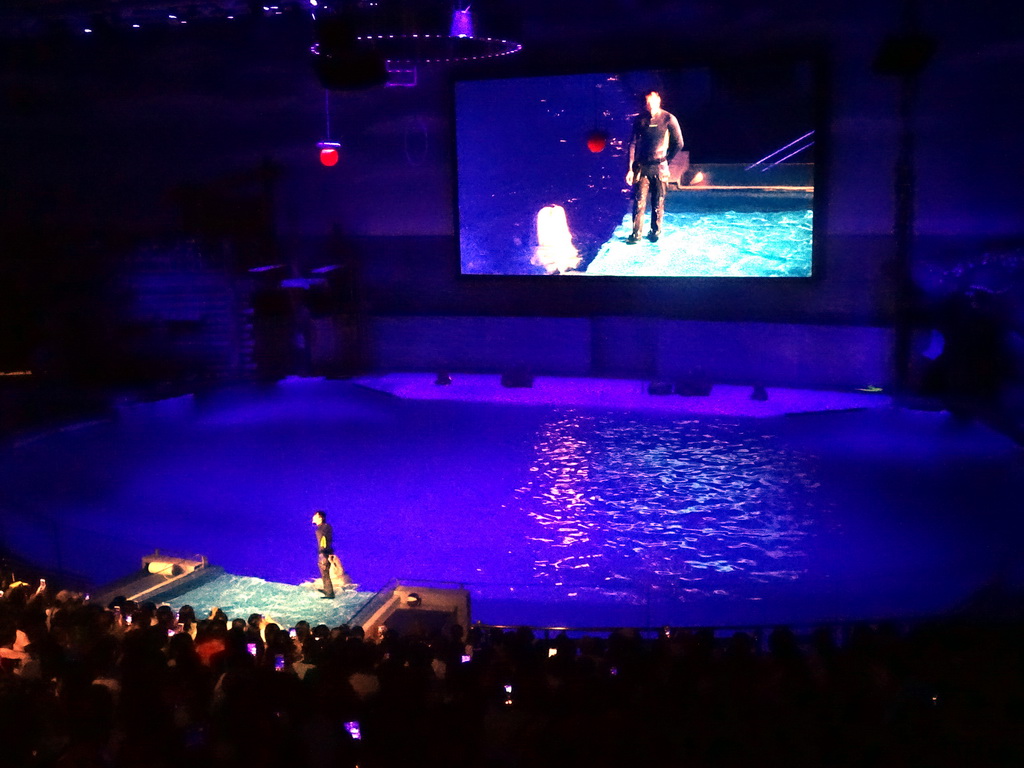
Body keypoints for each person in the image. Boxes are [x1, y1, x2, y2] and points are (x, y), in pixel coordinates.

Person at [626, 90, 684, 243]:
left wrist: (667, 159)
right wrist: (630, 169)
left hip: (660, 167)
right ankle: (636, 234)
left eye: (653, 102)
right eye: (648, 103)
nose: (650, 105)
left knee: (658, 202)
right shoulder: (640, 120)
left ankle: (655, 232)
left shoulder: (668, 118)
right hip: (642, 167)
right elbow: (632, 144)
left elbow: (679, 143)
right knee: (639, 202)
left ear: (658, 101)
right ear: (645, 104)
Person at [312, 510, 335, 599]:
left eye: (315, 516)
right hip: (325, 552)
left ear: (320, 517)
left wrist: (323, 552)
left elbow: (324, 541)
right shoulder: (323, 527)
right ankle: (327, 590)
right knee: (324, 573)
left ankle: (329, 594)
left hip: (324, 553)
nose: (313, 517)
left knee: (325, 573)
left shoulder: (323, 528)